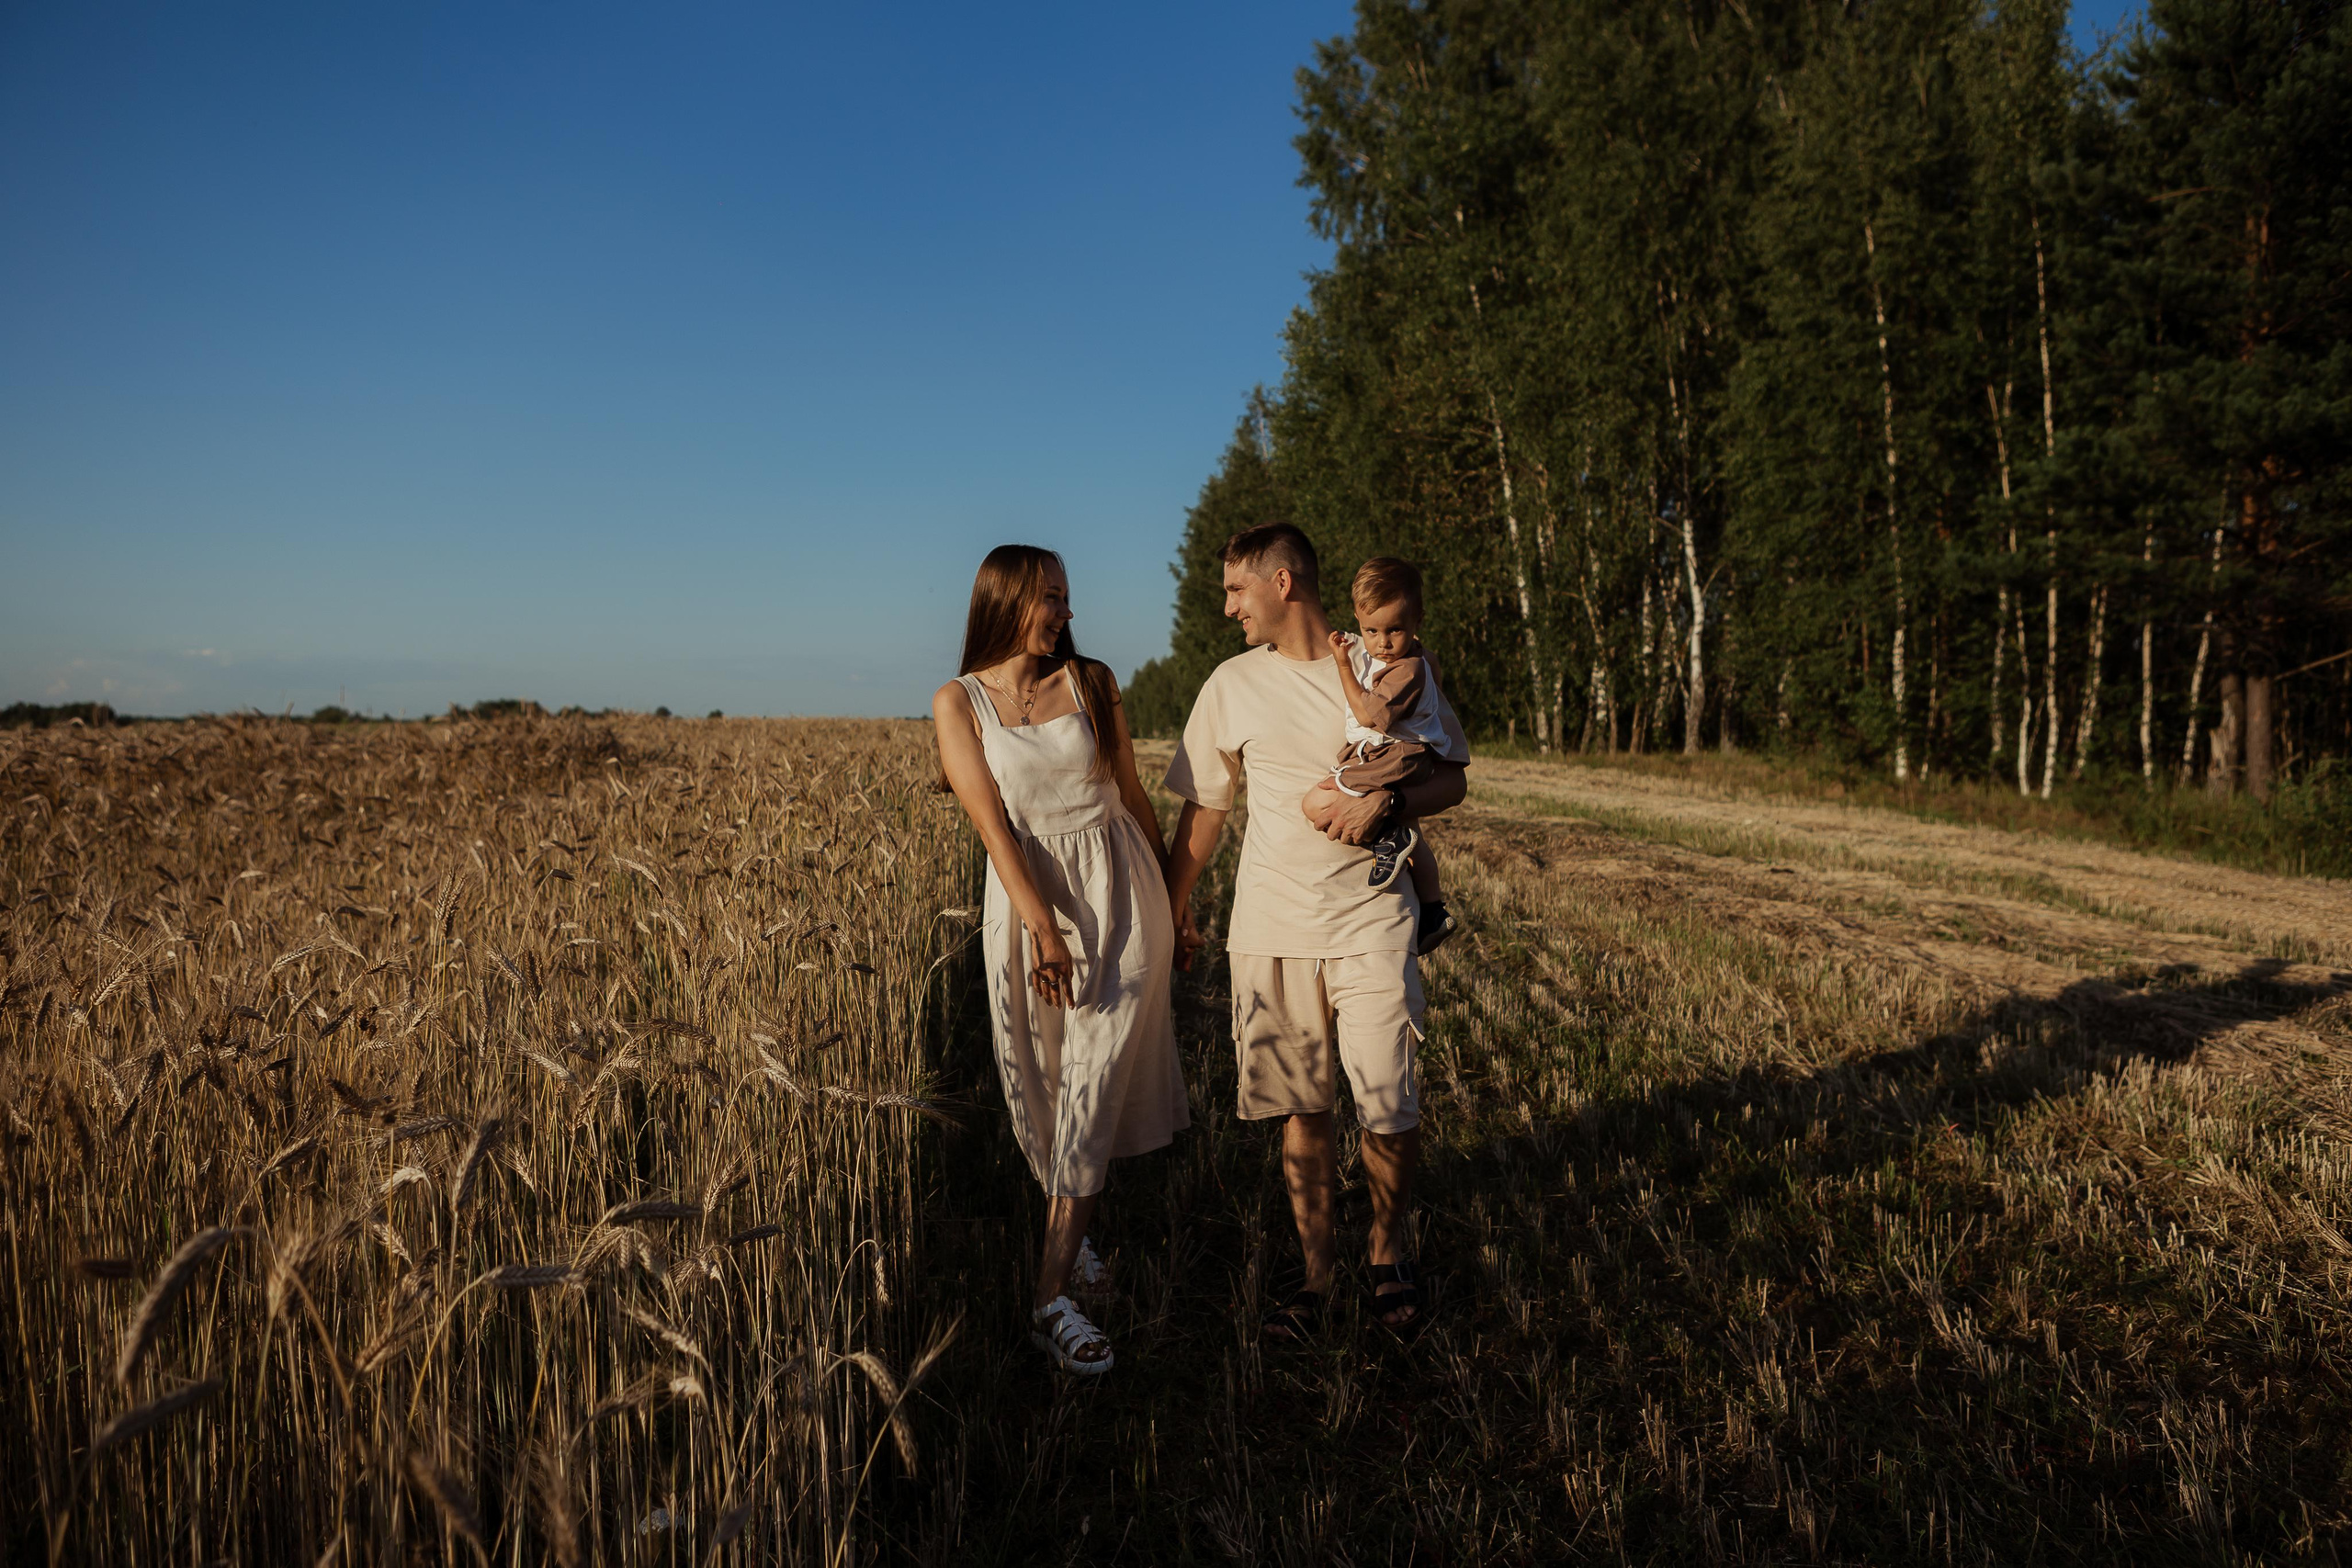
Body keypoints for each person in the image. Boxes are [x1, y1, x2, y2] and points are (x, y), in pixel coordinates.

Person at [1160, 523, 1468, 1337]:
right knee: (1303, 1109)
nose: (1228, 607)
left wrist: (1391, 802)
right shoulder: (1229, 684)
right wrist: (1170, 906)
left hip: (1373, 915)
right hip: (1274, 925)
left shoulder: (1389, 667)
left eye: (1236, 589)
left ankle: (1386, 1254)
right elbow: (1206, 810)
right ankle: (1318, 1276)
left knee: (1387, 1102)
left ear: (1283, 581)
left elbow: (1452, 778)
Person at [933, 544, 1189, 1376]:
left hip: (1119, 889)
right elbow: (991, 826)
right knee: (1042, 1083)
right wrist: (1042, 928)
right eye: (1053, 597)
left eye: (1069, 598)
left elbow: (1134, 793)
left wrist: (1177, 906)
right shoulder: (957, 703)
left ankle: (1048, 1299)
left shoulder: (1093, 681)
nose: (1067, 613)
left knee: (1095, 1075)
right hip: (1028, 900)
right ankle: (1072, 1237)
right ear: (1008, 599)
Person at [1303, 556, 1468, 956]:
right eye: (1370, 630)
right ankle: (1433, 909)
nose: (1383, 642)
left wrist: (1342, 663)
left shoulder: (1408, 668)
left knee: (1317, 801)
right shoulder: (1407, 659)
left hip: (1397, 755)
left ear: (1417, 621)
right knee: (1414, 834)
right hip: (1397, 753)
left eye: (1395, 629)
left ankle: (1387, 836)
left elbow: (1367, 714)